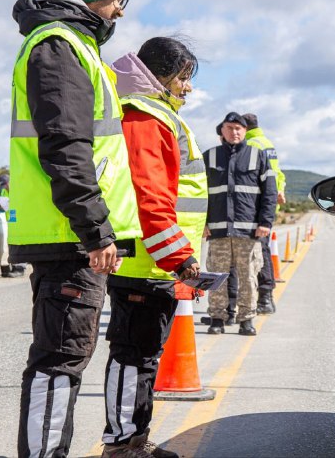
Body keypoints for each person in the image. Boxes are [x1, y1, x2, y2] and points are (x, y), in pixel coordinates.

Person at [9, 0, 142, 458]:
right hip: (69, 236)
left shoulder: (71, 43)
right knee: (59, 362)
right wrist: (95, 230)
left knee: (63, 359)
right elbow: (65, 147)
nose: (120, 11)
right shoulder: (59, 45)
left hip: (70, 233)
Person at [101, 37, 208, 457]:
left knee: (142, 356)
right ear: (162, 76)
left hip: (153, 263)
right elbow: (151, 198)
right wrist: (179, 258)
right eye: (184, 77)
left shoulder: (156, 115)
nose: (189, 88)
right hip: (145, 264)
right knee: (133, 357)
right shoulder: (146, 118)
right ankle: (123, 445)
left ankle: (134, 440)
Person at [203, 112, 276, 335]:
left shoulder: (258, 156)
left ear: (245, 131)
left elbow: (269, 193)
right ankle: (217, 318)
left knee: (248, 277)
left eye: (238, 128)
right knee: (217, 278)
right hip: (218, 229)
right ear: (221, 131)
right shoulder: (209, 157)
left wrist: (265, 222)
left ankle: (246, 320)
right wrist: (203, 223)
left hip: (249, 230)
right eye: (229, 128)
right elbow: (200, 193)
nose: (234, 132)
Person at [242, 113, 284, 314]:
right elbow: (278, 174)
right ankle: (262, 297)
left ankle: (265, 298)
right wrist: (280, 190)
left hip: (257, 206)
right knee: (260, 250)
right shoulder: (267, 143)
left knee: (259, 251)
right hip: (266, 206)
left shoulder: (252, 145)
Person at [0, 173, 27, 277]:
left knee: (20, 244)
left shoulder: (19, 189)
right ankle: (13, 267)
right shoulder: (3, 191)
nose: (4, 186)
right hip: (10, 222)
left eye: (5, 184)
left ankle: (20, 268)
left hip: (21, 221)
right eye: (2, 185)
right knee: (12, 246)